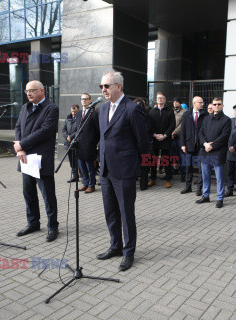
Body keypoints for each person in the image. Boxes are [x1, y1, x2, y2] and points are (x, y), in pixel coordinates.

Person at [96, 70, 149, 271]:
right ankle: (115, 246)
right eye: (101, 86)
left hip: (125, 170)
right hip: (106, 170)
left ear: (119, 86)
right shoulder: (102, 109)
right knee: (110, 212)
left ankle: (129, 253)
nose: (103, 89)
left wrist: (132, 162)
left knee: (126, 214)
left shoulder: (132, 108)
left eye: (107, 86)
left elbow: (143, 141)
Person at [14, 80, 59, 242]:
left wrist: (22, 144)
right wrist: (20, 147)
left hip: (41, 159)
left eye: (32, 90)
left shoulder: (51, 108)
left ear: (42, 91)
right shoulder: (25, 107)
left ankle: (53, 226)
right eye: (26, 91)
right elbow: (18, 127)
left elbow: (45, 131)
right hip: (25, 158)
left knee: (48, 194)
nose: (29, 93)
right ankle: (33, 223)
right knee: (28, 193)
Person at [196, 97, 231, 208]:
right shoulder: (207, 119)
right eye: (215, 104)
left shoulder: (226, 120)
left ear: (222, 105)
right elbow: (200, 133)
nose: (216, 106)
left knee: (219, 177)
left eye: (219, 104)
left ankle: (220, 198)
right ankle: (206, 196)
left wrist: (212, 145)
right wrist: (205, 144)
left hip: (217, 152)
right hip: (205, 151)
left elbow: (224, 136)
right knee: (205, 175)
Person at [180, 96, 207, 195]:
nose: (202, 104)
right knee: (188, 167)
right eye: (200, 102)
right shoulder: (186, 115)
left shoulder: (205, 115)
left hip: (201, 146)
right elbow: (183, 130)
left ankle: (199, 188)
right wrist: (182, 144)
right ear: (194, 103)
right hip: (189, 145)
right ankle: (188, 187)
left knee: (201, 168)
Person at [148, 92, 175, 188]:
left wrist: (164, 135)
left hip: (166, 139)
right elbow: (149, 126)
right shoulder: (151, 112)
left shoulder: (170, 111)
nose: (160, 99)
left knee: (166, 160)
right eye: (158, 98)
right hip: (155, 139)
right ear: (156, 99)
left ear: (165, 100)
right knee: (153, 160)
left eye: (162, 98)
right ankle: (153, 179)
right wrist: (155, 135)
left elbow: (172, 125)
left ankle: (168, 179)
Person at [77, 93, 99, 193]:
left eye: (86, 99)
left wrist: (94, 142)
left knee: (90, 167)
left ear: (90, 100)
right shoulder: (78, 113)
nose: (84, 101)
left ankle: (91, 185)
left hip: (90, 144)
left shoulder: (94, 113)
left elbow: (98, 130)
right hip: (79, 145)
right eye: (82, 99)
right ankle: (85, 183)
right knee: (81, 166)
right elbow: (77, 128)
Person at [133, 98, 151, 191]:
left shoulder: (146, 115)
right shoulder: (130, 115)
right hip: (134, 144)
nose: (139, 106)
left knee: (145, 165)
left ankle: (143, 185)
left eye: (141, 105)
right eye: (137, 104)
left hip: (145, 144)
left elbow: (149, 128)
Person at [62, 104, 80, 183]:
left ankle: (83, 176)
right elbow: (63, 129)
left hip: (77, 143)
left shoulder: (80, 119)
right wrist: (67, 137)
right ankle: (75, 176)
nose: (74, 113)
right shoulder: (67, 119)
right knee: (72, 161)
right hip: (68, 143)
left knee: (79, 161)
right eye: (72, 111)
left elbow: (79, 130)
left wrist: (71, 137)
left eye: (75, 111)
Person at [172, 97, 187, 182]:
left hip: (180, 137)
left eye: (177, 102)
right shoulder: (171, 111)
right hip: (172, 137)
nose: (175, 103)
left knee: (182, 156)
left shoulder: (184, 112)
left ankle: (183, 174)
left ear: (180, 103)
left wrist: (174, 132)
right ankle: (174, 170)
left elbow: (182, 125)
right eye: (174, 102)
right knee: (173, 155)